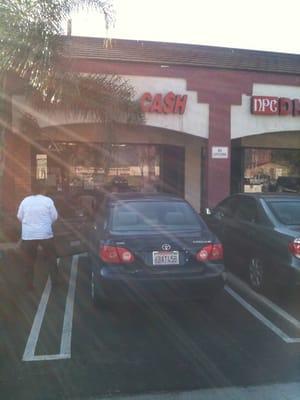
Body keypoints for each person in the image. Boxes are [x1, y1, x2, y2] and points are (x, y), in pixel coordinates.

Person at [17, 181, 59, 290]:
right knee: (51, 258)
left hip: (28, 235)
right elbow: (54, 216)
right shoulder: (48, 201)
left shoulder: (25, 201)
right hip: (45, 234)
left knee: (29, 260)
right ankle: (55, 282)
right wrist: (46, 223)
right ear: (43, 190)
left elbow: (19, 216)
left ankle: (29, 285)